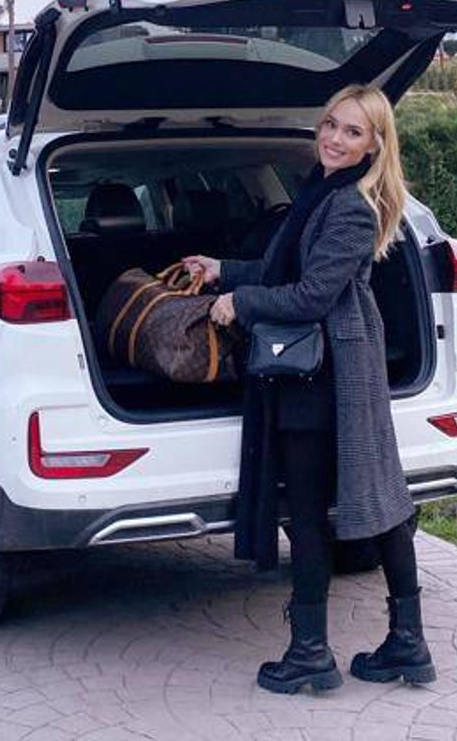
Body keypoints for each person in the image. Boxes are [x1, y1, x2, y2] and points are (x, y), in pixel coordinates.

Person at [183, 84, 434, 695]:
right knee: (378, 499)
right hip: (329, 367)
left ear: (376, 144)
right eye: (330, 125)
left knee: (325, 510)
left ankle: (311, 654)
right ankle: (406, 645)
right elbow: (286, 270)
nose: (334, 138)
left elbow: (310, 297)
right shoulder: (320, 192)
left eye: (352, 132)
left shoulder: (350, 204)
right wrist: (225, 269)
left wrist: (237, 303)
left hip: (325, 374)